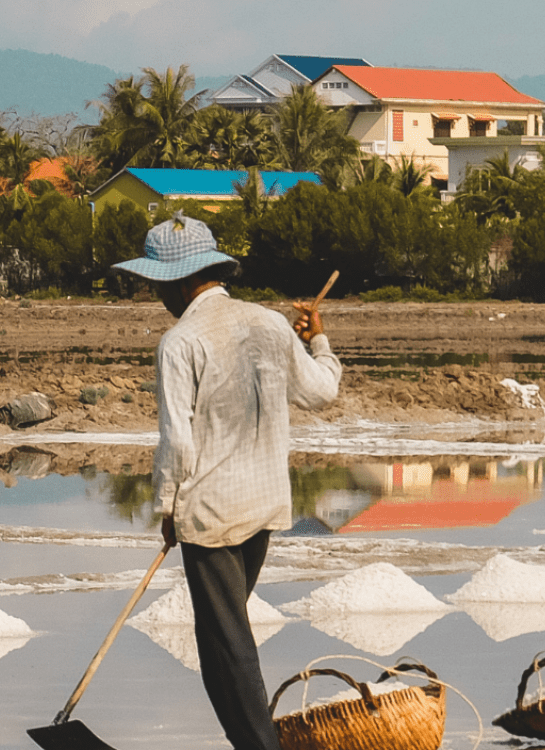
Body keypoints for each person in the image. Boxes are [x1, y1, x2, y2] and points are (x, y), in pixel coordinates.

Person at [114, 212, 341, 750]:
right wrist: (321, 343)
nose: (157, 295)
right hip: (263, 506)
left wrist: (168, 511)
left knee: (226, 647)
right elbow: (321, 393)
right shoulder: (269, 323)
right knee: (226, 637)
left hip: (211, 514)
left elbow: (177, 440)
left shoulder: (180, 341)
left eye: (157, 285)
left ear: (177, 281)